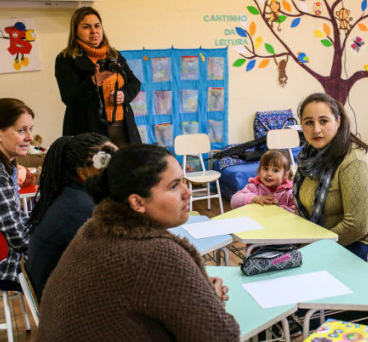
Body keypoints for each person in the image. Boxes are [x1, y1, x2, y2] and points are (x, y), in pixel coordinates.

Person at [37, 145, 240, 341]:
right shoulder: (155, 254)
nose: (188, 193)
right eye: (174, 186)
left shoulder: (94, 230)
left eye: (183, 182)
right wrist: (212, 300)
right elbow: (220, 336)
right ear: (137, 202)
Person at [26, 133, 116, 302]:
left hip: (59, 297)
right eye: (105, 163)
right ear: (82, 172)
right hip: (65, 308)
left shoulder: (70, 195)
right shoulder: (82, 209)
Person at [293, 93, 368, 260]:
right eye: (309, 122)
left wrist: (312, 247)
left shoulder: (355, 161)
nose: (316, 129)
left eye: (324, 121)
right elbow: (300, 208)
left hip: (357, 245)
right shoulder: (308, 157)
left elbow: (356, 227)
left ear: (338, 122)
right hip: (318, 240)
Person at [55, 6, 142, 148]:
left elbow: (134, 82)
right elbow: (69, 98)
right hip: (88, 130)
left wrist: (124, 95)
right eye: (86, 27)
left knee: (128, 167)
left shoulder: (114, 55)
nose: (94, 31)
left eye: (97, 26)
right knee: (97, 169)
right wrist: (94, 81)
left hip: (122, 127)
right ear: (76, 31)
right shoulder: (66, 58)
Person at [0, 98, 34, 291]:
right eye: (22, 130)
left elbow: (17, 219)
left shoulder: (4, 164)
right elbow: (14, 235)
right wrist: (45, 247)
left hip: (4, 252)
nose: (30, 137)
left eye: (30, 129)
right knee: (64, 266)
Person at [230, 149, 295, 213]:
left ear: (285, 175)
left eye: (275, 170)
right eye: (265, 169)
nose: (269, 173)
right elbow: (234, 201)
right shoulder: (253, 187)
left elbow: (297, 213)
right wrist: (255, 198)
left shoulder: (289, 193)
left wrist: (278, 208)